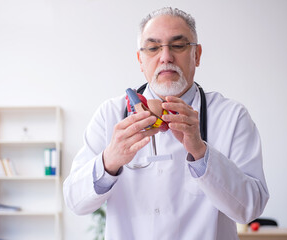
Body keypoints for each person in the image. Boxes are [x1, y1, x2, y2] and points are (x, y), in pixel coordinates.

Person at [64, 7, 269, 240]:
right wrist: (109, 160)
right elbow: (75, 201)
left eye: (178, 45)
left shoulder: (231, 117)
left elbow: (250, 208)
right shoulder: (110, 115)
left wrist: (201, 153)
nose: (165, 57)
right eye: (153, 48)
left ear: (197, 55)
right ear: (141, 60)